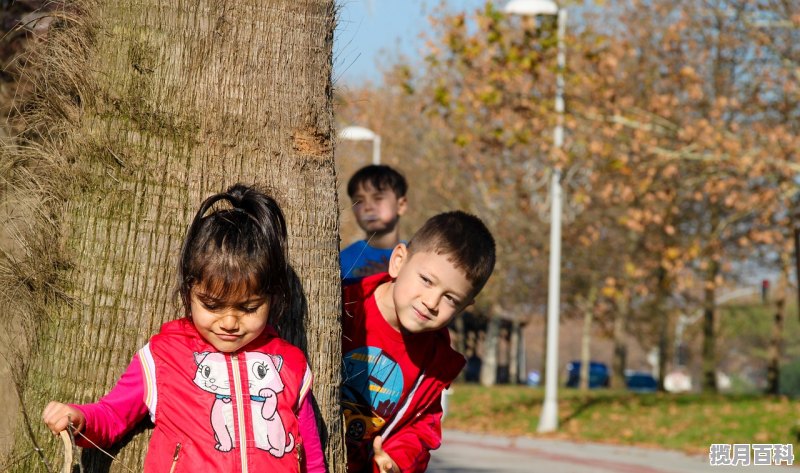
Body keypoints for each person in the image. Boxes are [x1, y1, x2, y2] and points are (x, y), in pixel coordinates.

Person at [42, 184, 326, 473]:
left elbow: (313, 460)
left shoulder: (290, 364)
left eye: (248, 308)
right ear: (189, 291)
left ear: (273, 298)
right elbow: (113, 414)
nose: (229, 322)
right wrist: (79, 419)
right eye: (212, 306)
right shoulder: (163, 356)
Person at [341, 211, 496, 473]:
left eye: (451, 299)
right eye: (426, 280)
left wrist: (397, 463)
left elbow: (421, 429)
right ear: (399, 261)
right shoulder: (346, 307)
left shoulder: (434, 364)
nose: (431, 302)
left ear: (463, 308)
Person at [340, 165, 408, 283]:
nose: (368, 207)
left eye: (378, 198)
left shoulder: (415, 257)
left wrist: (391, 278)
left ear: (401, 205)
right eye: (359, 201)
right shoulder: (342, 261)